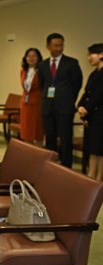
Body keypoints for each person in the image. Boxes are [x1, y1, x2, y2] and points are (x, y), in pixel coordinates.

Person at [37, 33, 83, 168]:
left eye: (61, 45)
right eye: (56, 45)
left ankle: (66, 167)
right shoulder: (43, 65)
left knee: (65, 140)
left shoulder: (71, 63)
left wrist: (67, 99)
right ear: (48, 46)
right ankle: (50, 166)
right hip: (47, 107)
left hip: (65, 108)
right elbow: (42, 85)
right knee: (50, 139)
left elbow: (77, 84)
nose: (59, 48)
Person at [78, 43, 103, 182]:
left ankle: (98, 180)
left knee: (100, 150)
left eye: (91, 54)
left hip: (100, 117)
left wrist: (87, 109)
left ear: (101, 54)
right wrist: (80, 106)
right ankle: (91, 177)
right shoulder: (95, 73)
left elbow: (99, 95)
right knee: (93, 149)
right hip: (92, 117)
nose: (88, 58)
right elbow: (87, 92)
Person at [20, 48, 44, 143]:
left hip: (38, 104)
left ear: (38, 58)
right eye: (29, 56)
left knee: (38, 132)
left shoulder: (41, 71)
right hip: (25, 104)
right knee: (27, 132)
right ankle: (28, 155)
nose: (31, 58)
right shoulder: (23, 70)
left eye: (34, 56)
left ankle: (39, 156)